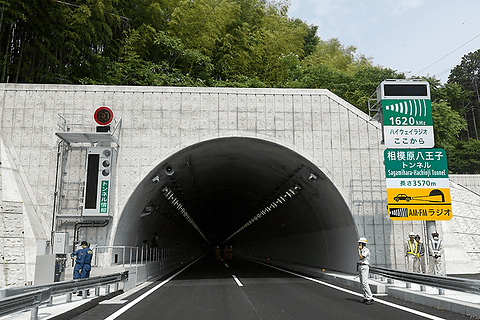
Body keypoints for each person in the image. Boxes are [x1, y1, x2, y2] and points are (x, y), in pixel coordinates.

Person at [357, 237, 373, 305]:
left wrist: (359, 251)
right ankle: (365, 297)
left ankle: (370, 297)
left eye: (360, 243)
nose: (359, 244)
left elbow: (361, 257)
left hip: (365, 266)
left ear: (363, 243)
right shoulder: (362, 250)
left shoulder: (366, 250)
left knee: (364, 282)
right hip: (361, 266)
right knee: (361, 283)